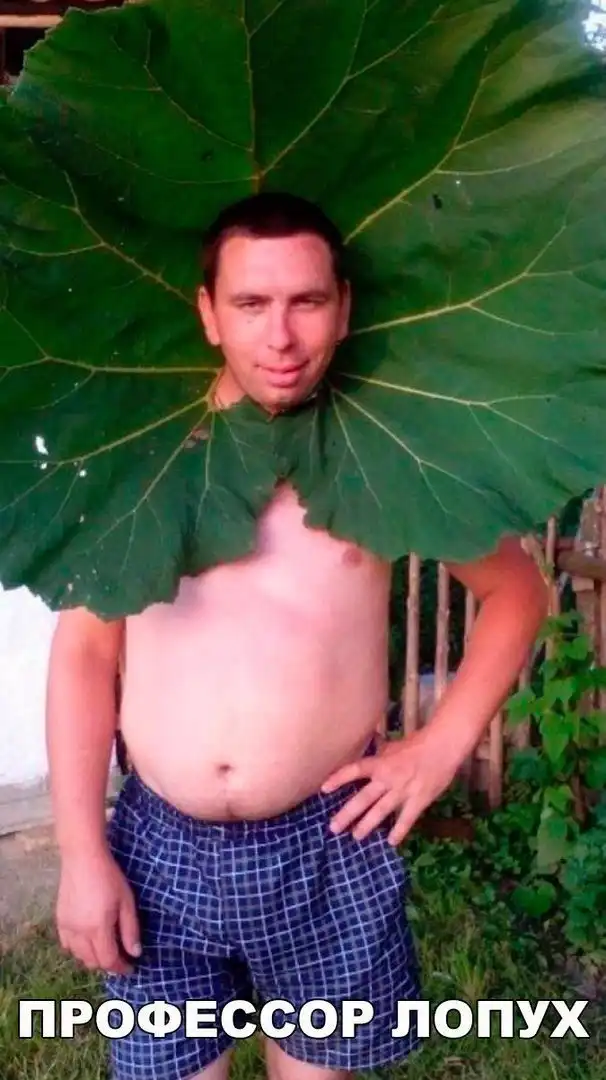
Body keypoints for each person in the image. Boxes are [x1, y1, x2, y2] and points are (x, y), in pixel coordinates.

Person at [46, 192, 549, 1080]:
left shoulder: (386, 456)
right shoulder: (142, 460)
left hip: (327, 842)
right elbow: (86, 655)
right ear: (208, 313)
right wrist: (82, 854)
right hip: (159, 845)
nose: (280, 337)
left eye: (306, 301)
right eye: (250, 303)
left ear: (344, 308)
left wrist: (439, 749)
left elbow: (517, 594)